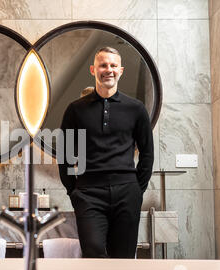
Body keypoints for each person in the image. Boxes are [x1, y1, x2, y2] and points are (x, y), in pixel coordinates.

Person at [58, 47, 154, 258]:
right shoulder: (75, 110)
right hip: (88, 193)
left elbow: (147, 153)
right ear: (93, 70)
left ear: (121, 70)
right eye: (103, 65)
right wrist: (73, 191)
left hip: (127, 192)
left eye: (113, 65)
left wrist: (137, 189)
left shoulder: (136, 109)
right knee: (92, 251)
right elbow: (64, 155)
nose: (108, 70)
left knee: (124, 258)